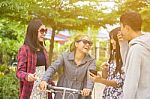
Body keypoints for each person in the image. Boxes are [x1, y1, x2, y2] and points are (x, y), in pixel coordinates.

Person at [40, 34, 96, 99]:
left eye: (90, 43)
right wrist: (44, 80)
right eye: (85, 42)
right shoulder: (64, 56)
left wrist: (88, 88)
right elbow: (53, 67)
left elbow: (91, 76)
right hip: (63, 91)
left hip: (80, 93)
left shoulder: (91, 60)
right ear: (76, 44)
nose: (88, 45)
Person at [16, 18, 54, 99]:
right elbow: (19, 72)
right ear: (33, 31)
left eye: (45, 31)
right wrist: (27, 76)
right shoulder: (25, 49)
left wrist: (51, 83)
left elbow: (46, 70)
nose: (44, 33)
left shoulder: (43, 50)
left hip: (44, 89)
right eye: (41, 31)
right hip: (31, 91)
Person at [120, 10, 150, 99]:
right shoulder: (146, 44)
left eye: (121, 27)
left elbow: (131, 82)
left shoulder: (136, 49)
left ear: (127, 28)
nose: (121, 31)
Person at [89, 27, 124, 99]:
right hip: (108, 94)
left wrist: (100, 80)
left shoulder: (125, 57)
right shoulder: (113, 55)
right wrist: (104, 70)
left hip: (118, 96)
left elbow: (118, 83)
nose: (111, 42)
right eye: (110, 39)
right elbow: (107, 78)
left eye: (113, 39)